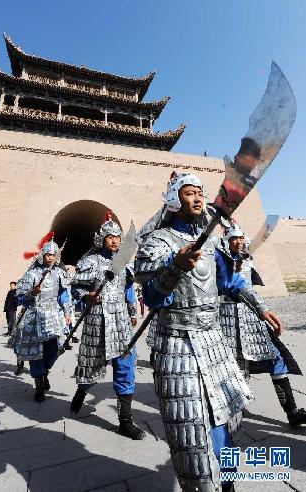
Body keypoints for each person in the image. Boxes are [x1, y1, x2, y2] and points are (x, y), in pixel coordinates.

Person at [134, 172, 279, 491]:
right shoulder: (157, 242)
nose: (198, 197)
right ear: (175, 199)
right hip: (177, 345)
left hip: (215, 340)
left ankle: (227, 483)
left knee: (229, 421)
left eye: (200, 192)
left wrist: (261, 306)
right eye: (189, 192)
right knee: (191, 428)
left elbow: (233, 283)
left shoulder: (213, 242)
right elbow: (152, 296)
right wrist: (175, 266)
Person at [218, 224, 306, 427]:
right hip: (230, 320)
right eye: (234, 238)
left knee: (277, 360)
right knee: (237, 368)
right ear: (226, 241)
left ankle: (292, 412)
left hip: (255, 318)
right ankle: (233, 412)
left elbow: (263, 235)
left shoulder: (247, 258)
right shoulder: (220, 260)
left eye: (241, 238)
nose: (238, 242)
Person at [70, 216, 145, 441]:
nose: (114, 241)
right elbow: (75, 287)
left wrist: (132, 312)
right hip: (97, 322)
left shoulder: (124, 265)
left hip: (120, 322)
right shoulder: (90, 262)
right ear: (102, 239)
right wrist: (87, 296)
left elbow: (128, 291)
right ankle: (82, 390)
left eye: (117, 238)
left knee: (125, 368)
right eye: (110, 237)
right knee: (91, 367)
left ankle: (125, 421)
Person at [10, 238, 70, 402]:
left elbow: (64, 296)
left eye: (53, 255)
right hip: (34, 315)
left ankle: (45, 372)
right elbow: (19, 297)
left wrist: (67, 312)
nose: (50, 258)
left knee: (55, 348)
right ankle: (39, 383)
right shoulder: (32, 274)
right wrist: (31, 293)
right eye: (48, 254)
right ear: (42, 255)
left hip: (54, 315)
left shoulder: (59, 273)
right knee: (35, 353)